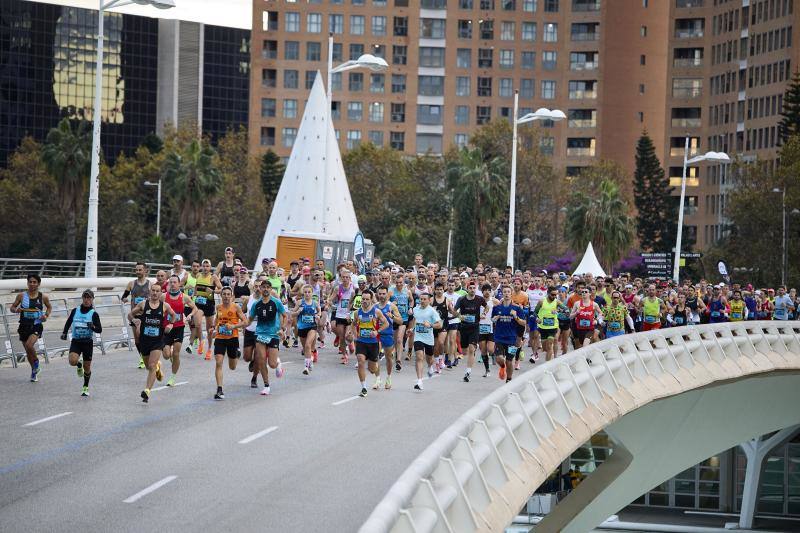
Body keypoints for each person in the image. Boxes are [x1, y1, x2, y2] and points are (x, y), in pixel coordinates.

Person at [128, 284, 178, 403]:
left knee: (151, 365)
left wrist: (170, 324)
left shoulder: (164, 306)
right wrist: (135, 321)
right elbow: (130, 315)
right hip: (144, 340)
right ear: (150, 292)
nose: (155, 293)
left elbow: (174, 315)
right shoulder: (143, 304)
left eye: (157, 291)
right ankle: (158, 368)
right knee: (148, 366)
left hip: (158, 340)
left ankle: (147, 391)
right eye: (153, 291)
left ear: (161, 293)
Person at [10, 274, 52, 382]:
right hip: (23, 326)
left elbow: (49, 307)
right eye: (30, 282)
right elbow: (12, 307)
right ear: (27, 283)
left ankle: (37, 362)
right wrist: (16, 310)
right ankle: (34, 371)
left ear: (38, 284)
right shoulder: (21, 296)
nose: (32, 284)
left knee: (29, 345)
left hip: (36, 325)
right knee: (28, 351)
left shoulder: (43, 297)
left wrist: (45, 316)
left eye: (35, 282)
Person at [248, 281, 287, 396]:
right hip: (260, 334)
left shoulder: (276, 302)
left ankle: (278, 363)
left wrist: (282, 328)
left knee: (272, 364)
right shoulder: (256, 304)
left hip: (273, 334)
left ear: (270, 289)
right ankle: (266, 385)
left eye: (267, 287)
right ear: (260, 288)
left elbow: (285, 316)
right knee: (260, 359)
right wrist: (238, 326)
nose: (265, 289)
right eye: (263, 287)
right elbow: (249, 319)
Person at [60, 289, 102, 396]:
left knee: (87, 367)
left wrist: (92, 326)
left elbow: (99, 329)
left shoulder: (94, 314)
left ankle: (85, 387)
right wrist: (64, 333)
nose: (87, 300)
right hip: (76, 341)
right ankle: (79, 364)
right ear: (82, 298)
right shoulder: (75, 310)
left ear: (92, 299)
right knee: (72, 361)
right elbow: (69, 321)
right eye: (85, 297)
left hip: (87, 342)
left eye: (89, 298)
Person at [351, 290, 390, 397]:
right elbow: (353, 324)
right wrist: (355, 336)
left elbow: (386, 323)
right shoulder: (357, 312)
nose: (364, 301)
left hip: (373, 343)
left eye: (367, 299)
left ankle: (377, 374)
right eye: (363, 299)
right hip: (361, 342)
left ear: (371, 299)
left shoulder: (376, 311)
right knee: (360, 361)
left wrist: (377, 331)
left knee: (372, 368)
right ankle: (363, 388)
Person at [211, 286, 247, 400]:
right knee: (219, 362)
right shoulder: (218, 307)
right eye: (224, 294)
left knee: (232, 367)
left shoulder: (236, 307)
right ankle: (219, 389)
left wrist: (234, 326)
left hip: (232, 338)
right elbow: (216, 320)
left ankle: (236, 354)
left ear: (231, 296)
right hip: (220, 338)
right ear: (221, 296)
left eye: (228, 294)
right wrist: (213, 329)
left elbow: (245, 321)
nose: (226, 296)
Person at [162, 274, 195, 387]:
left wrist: (190, 315)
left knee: (176, 353)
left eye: (175, 282)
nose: (172, 284)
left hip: (179, 328)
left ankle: (172, 377)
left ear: (179, 284)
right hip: (166, 328)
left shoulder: (184, 297)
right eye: (170, 282)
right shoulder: (163, 296)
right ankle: (170, 357)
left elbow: (195, 308)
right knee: (166, 355)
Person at [452, 280, 486, 382]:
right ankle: (472, 348)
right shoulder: (461, 299)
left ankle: (468, 373)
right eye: (470, 288)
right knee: (465, 351)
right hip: (463, 327)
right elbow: (454, 311)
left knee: (471, 349)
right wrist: (459, 316)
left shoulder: (480, 299)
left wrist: (484, 313)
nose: (472, 290)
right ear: (467, 289)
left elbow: (487, 306)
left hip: (474, 327)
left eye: (473, 288)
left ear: (476, 289)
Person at [408, 291, 443, 391]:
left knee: (429, 359)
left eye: (424, 299)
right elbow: (415, 320)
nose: (422, 301)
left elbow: (439, 324)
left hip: (428, 339)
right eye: (421, 299)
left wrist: (430, 325)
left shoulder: (432, 311)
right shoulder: (416, 309)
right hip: (418, 337)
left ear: (428, 300)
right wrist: (411, 329)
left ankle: (430, 366)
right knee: (419, 357)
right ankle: (419, 381)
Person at [492, 286, 526, 382]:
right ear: (502, 294)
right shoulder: (497, 308)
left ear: (511, 294)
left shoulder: (517, 308)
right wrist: (495, 318)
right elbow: (492, 319)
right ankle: (502, 367)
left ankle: (509, 379)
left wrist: (516, 317)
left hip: (512, 339)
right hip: (499, 337)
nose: (506, 294)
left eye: (508, 292)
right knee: (499, 358)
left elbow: (523, 323)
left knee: (509, 361)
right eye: (505, 292)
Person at [121, 262, 150, 368]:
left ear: (145, 270)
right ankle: (142, 357)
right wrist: (124, 299)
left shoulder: (150, 284)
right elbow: (124, 296)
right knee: (137, 338)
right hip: (135, 314)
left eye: (140, 270)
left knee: (145, 337)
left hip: (147, 314)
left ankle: (147, 355)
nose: (138, 272)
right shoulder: (131, 284)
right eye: (136, 270)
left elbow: (155, 296)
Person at [195, 259, 222, 359]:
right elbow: (196, 286)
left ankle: (210, 349)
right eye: (204, 266)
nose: (205, 268)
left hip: (209, 304)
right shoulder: (198, 275)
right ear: (201, 267)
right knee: (197, 323)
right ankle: (201, 341)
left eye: (207, 266)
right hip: (198, 303)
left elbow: (221, 289)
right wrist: (194, 293)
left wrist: (213, 291)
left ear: (210, 267)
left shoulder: (213, 277)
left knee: (209, 329)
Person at [375, 286, 401, 389]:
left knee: (389, 358)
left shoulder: (391, 306)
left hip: (388, 334)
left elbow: (401, 321)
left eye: (383, 294)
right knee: (375, 356)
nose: (381, 296)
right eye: (380, 294)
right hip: (377, 334)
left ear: (387, 294)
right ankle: (377, 379)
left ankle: (389, 377)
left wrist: (392, 317)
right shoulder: (375, 306)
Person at [293, 284, 321, 375]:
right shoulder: (299, 302)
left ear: (312, 293)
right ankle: (310, 361)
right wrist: (298, 312)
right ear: (303, 293)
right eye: (305, 292)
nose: (307, 294)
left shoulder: (315, 303)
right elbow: (292, 314)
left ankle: (306, 367)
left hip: (312, 326)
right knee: (306, 348)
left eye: (309, 292)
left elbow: (319, 310)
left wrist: (318, 315)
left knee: (308, 345)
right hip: (301, 327)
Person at [388, 272, 413, 372]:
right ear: (394, 282)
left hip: (404, 319)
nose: (399, 284)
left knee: (399, 339)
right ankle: (395, 355)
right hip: (394, 318)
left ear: (403, 282)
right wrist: (391, 303)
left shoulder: (407, 291)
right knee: (394, 340)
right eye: (397, 282)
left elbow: (411, 300)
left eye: (400, 283)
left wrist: (410, 307)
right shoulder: (391, 291)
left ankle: (398, 360)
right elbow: (385, 302)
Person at [533, 286, 560, 360]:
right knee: (545, 348)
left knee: (550, 344)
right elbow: (535, 313)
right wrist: (537, 318)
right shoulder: (541, 301)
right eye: (552, 295)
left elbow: (566, 310)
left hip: (553, 327)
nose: (554, 296)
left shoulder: (557, 302)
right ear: (548, 293)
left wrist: (558, 311)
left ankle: (547, 365)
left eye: (555, 295)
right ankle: (548, 354)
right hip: (543, 327)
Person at [478, 284, 497, 377]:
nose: (487, 292)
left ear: (491, 292)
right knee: (483, 350)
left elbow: (501, 310)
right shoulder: (478, 301)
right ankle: (487, 370)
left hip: (491, 328)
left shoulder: (494, 301)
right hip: (480, 328)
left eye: (488, 290)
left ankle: (494, 353)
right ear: (482, 292)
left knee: (490, 349)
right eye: (485, 290)